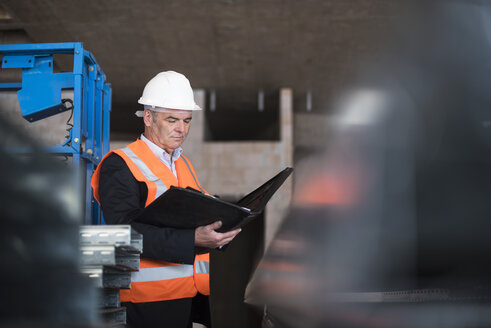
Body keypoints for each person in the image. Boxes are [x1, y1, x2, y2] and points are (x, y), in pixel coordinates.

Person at [91, 71, 241, 328]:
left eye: (187, 120)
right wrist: (191, 239)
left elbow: (194, 214)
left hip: (187, 298)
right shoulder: (120, 165)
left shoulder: (182, 163)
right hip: (142, 304)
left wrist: (223, 225)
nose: (181, 129)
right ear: (148, 117)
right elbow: (123, 232)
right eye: (172, 120)